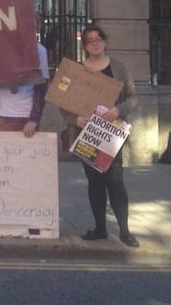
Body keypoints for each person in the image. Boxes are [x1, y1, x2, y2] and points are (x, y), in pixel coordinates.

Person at [61, 25, 139, 248]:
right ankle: (100, 228)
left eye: (98, 40)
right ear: (84, 46)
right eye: (89, 41)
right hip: (88, 135)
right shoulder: (77, 71)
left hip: (112, 133)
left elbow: (133, 99)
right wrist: (74, 120)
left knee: (115, 182)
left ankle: (125, 231)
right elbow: (63, 103)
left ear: (105, 41)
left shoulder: (119, 68)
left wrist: (118, 110)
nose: (94, 44)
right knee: (94, 183)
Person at [0, 17, 50, 137]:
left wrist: (34, 118)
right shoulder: (1, 49)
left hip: (26, 114)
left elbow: (41, 87)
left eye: (33, 28)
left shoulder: (39, 50)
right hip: (5, 113)